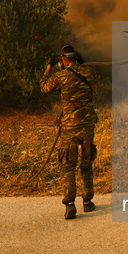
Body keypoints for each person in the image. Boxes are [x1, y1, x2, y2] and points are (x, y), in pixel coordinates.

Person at [40, 45, 100, 220]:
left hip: (69, 128)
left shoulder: (60, 77)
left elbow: (44, 87)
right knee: (87, 163)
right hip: (87, 126)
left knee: (67, 166)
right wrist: (81, 64)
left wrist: (49, 67)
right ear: (76, 57)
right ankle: (88, 201)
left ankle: (70, 204)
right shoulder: (86, 73)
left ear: (62, 59)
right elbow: (95, 77)